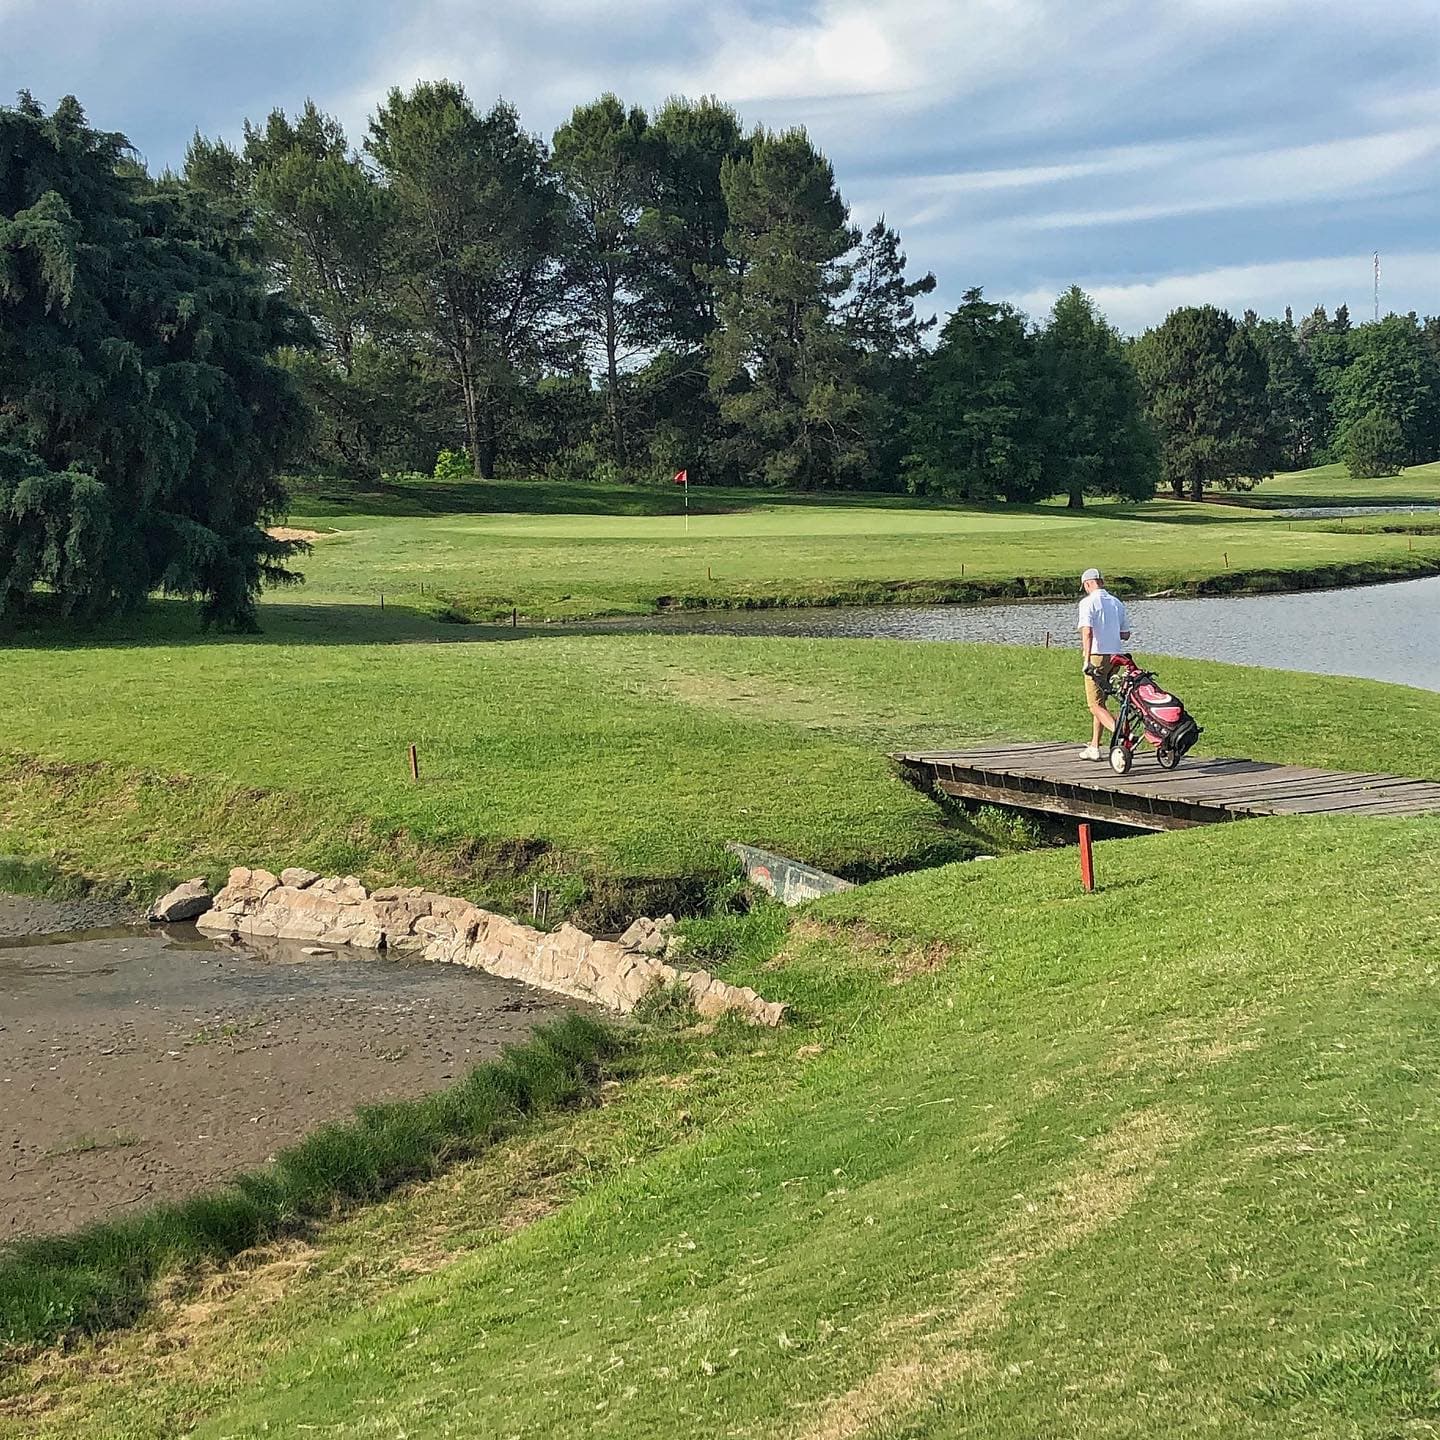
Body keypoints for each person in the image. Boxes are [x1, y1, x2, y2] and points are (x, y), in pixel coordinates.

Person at [1076, 567, 1131, 760]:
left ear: (1088, 583)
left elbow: (1087, 632)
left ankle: (1120, 731)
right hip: (1115, 657)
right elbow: (1125, 634)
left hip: (1097, 656)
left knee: (1094, 705)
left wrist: (1086, 660)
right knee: (1101, 703)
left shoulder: (1087, 603)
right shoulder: (1117, 602)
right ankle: (1094, 746)